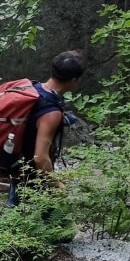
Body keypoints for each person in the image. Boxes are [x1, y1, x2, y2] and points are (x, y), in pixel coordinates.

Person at [6, 49, 86, 204]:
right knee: (48, 220)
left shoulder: (33, 88)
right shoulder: (51, 112)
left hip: (17, 166)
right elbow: (41, 158)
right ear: (74, 80)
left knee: (14, 213)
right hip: (33, 177)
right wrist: (57, 185)